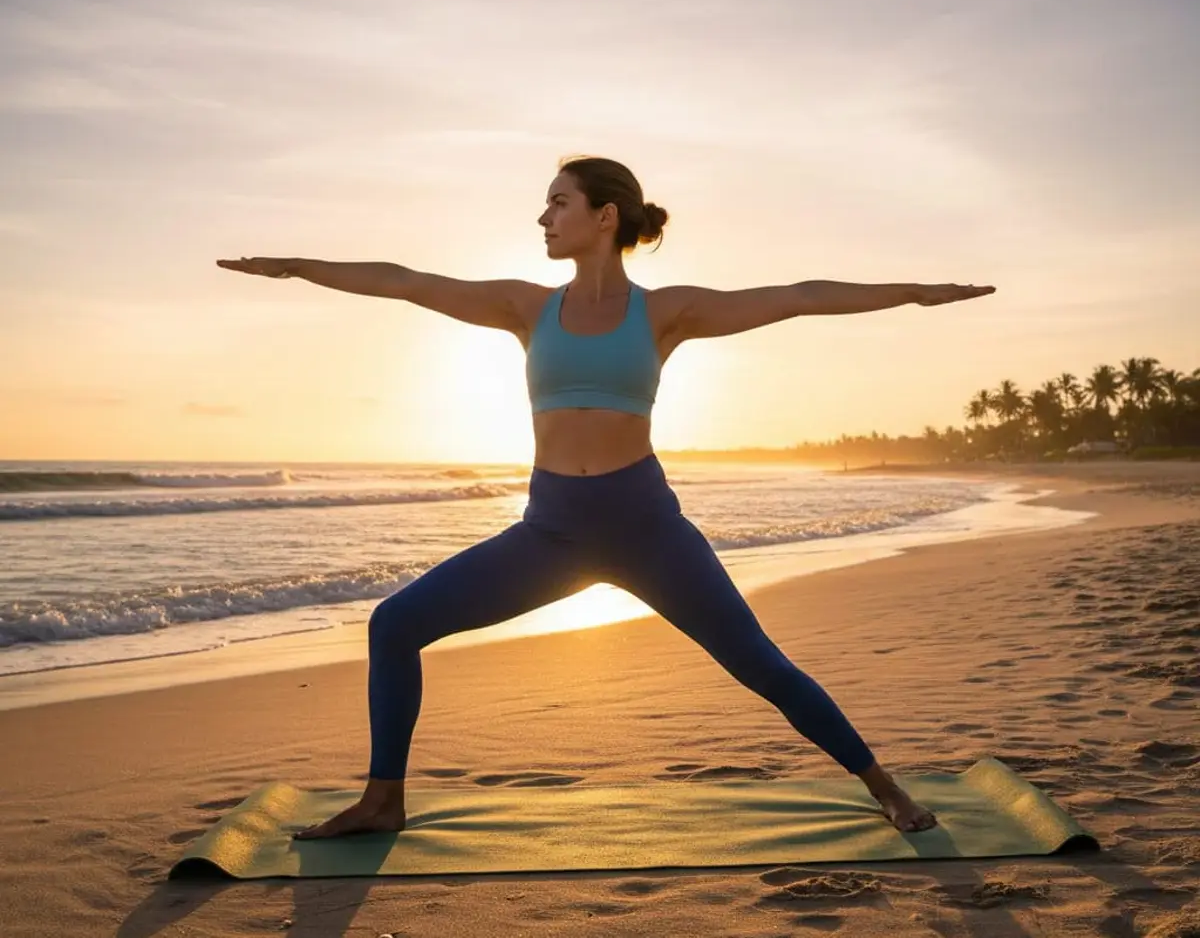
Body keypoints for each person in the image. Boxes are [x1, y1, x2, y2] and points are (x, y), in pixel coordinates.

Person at [217, 154, 995, 840]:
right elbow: (406, 283)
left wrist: (915, 291)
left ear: (604, 216)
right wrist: (296, 266)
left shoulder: (666, 311)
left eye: (558, 202)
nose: (543, 216)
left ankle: (882, 785)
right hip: (550, 532)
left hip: (646, 527)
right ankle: (383, 798)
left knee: (759, 663)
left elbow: (797, 294)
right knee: (395, 624)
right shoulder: (527, 306)